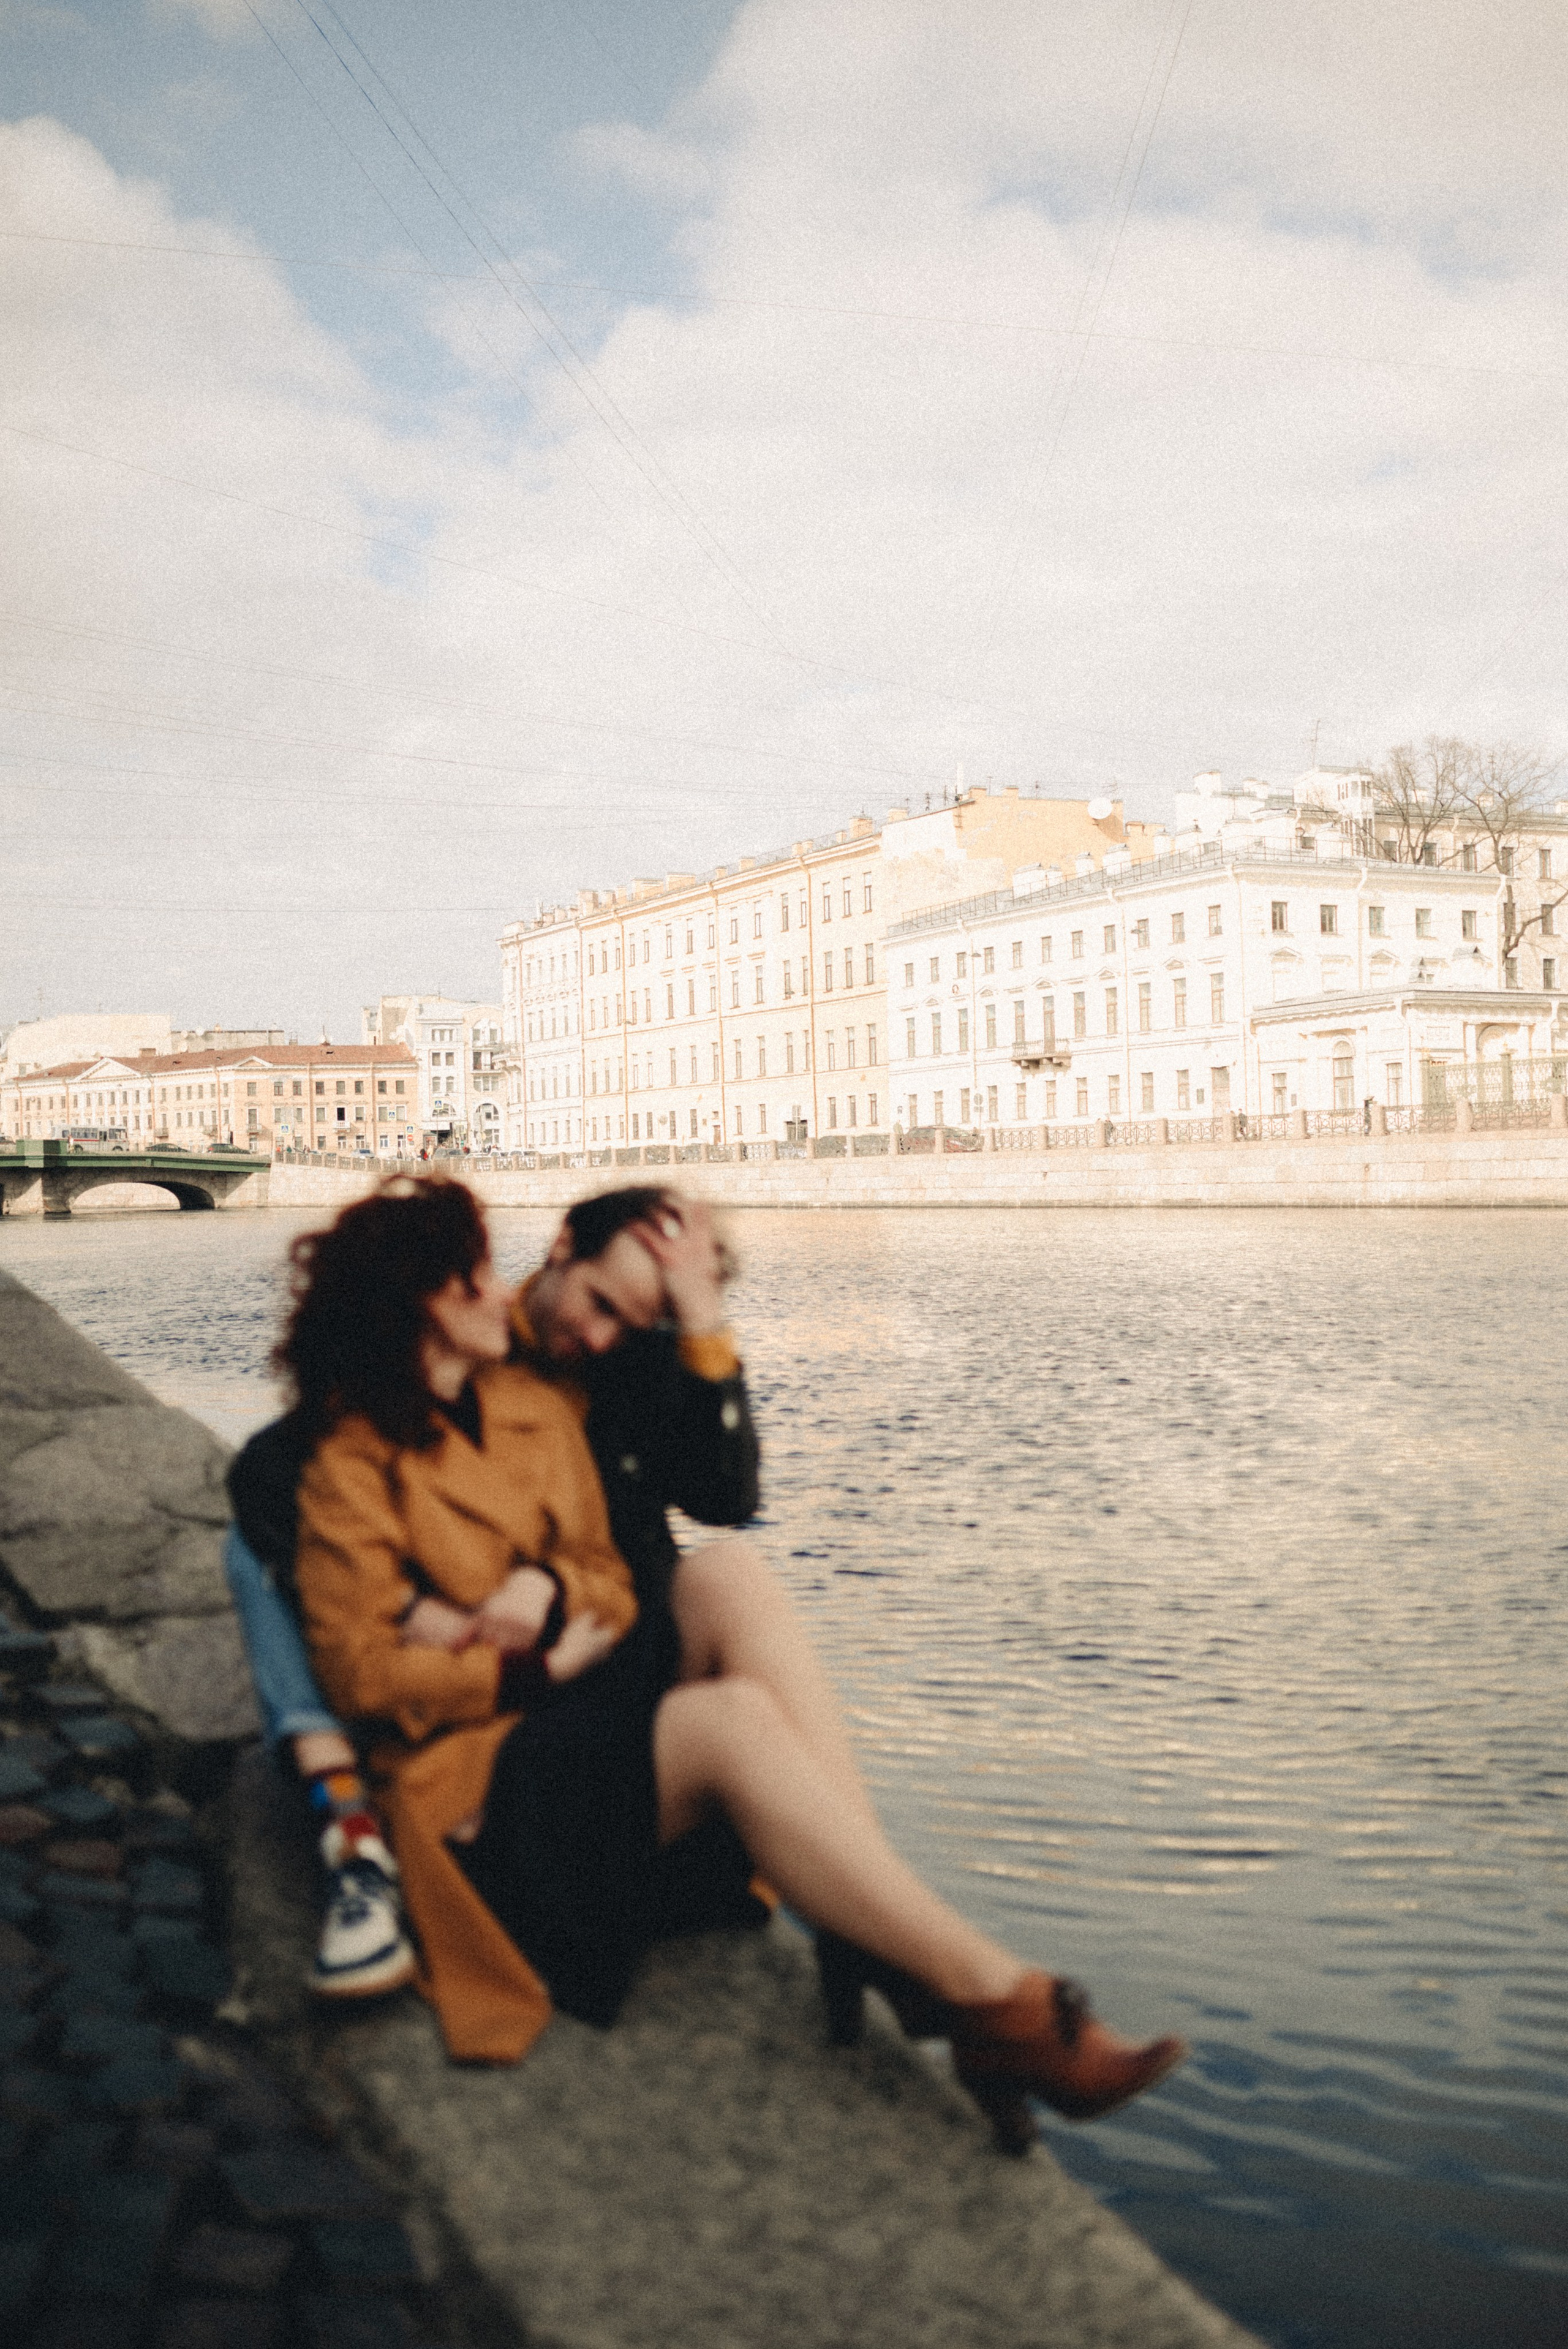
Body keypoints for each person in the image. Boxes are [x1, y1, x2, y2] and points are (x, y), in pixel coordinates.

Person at [266, 1175, 1187, 2151]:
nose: (510, 1297)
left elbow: (646, 1546)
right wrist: (495, 1655)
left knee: (732, 1572)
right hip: (478, 1779)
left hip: (588, 1693)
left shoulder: (542, 1399)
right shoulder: (349, 1454)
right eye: (480, 1281)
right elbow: (354, 1662)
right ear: (438, 1302)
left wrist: (546, 1586)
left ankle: (875, 1931)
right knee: (736, 1720)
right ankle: (1001, 2007)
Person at [224, 1183, 764, 2000]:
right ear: (559, 1251)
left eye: (631, 1322)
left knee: (732, 1579)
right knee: (255, 1549)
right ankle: (347, 1818)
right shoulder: (461, 1343)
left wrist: (700, 1318)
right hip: (491, 1673)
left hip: (615, 1639)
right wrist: (411, 1606)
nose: (599, 1336)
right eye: (597, 1303)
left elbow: (726, 1500)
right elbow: (270, 1474)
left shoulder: (639, 1358)